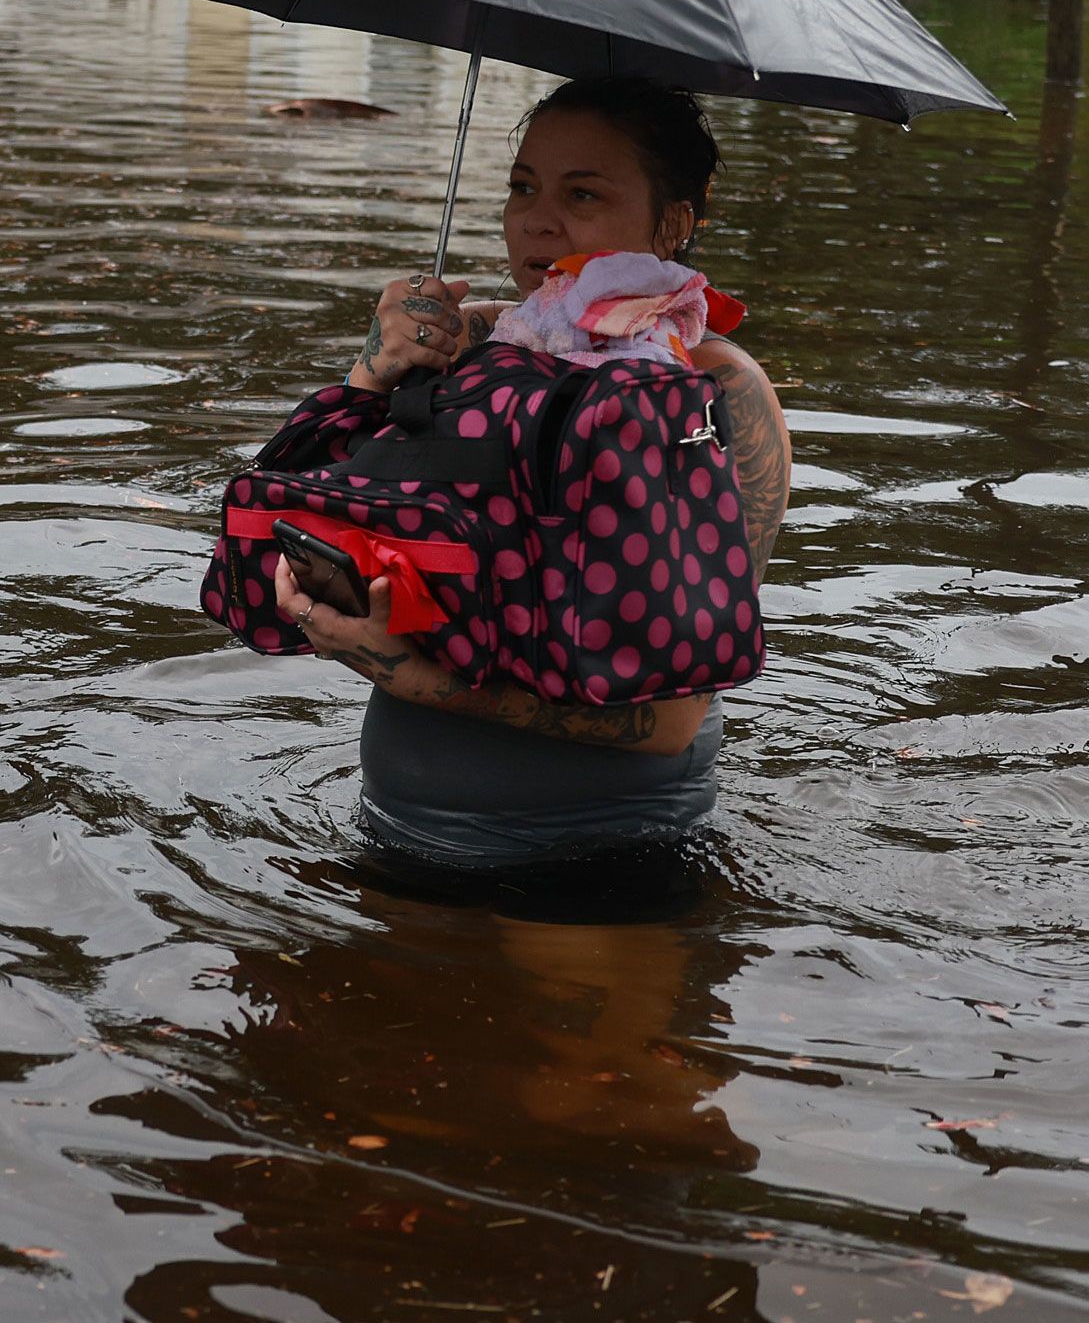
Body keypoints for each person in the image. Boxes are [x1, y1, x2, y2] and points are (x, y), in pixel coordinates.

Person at [269, 75, 791, 866]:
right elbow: (310, 506)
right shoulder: (472, 344)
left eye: (582, 195)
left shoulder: (714, 391)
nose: (536, 222)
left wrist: (413, 679)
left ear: (673, 222)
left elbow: (671, 719)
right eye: (522, 187)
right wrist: (375, 371)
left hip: (602, 855)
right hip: (399, 827)